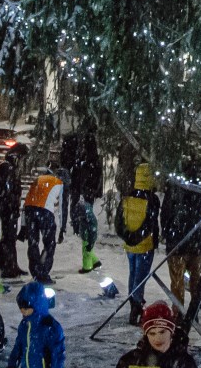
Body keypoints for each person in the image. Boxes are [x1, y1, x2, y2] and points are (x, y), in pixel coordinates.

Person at [160, 174, 201, 314]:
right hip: (195, 243)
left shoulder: (175, 187)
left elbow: (165, 214)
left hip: (177, 244)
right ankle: (193, 311)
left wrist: (167, 234)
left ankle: (179, 313)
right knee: (195, 281)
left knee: (177, 282)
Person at [114, 162, 161, 325]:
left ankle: (134, 304)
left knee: (133, 274)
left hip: (130, 247)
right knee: (140, 278)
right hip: (145, 245)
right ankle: (136, 307)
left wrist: (128, 237)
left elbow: (119, 222)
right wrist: (138, 237)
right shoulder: (152, 200)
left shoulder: (128, 197)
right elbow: (150, 224)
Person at [62, 129, 104, 273]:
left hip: (82, 195)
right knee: (86, 226)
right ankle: (92, 259)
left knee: (85, 228)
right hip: (85, 195)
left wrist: (81, 191)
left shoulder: (85, 161)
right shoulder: (90, 161)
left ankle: (88, 262)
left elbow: (82, 179)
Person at [0, 146, 26, 279]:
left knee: (8, 236)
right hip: (7, 208)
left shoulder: (9, 167)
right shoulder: (8, 168)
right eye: (21, 158)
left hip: (8, 207)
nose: (22, 161)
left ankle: (9, 264)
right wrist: (12, 205)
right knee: (9, 237)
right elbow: (8, 189)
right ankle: (8, 267)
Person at [23, 167, 64, 282]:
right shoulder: (59, 183)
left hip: (29, 210)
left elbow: (27, 199)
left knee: (33, 243)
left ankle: (35, 272)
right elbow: (61, 208)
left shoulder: (38, 179)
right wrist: (62, 228)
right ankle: (43, 273)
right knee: (49, 244)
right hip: (45, 212)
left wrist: (23, 225)